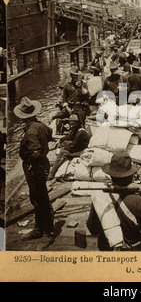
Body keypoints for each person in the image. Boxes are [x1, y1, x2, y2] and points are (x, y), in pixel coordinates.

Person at [89, 153, 141, 251]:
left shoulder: (101, 198)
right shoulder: (137, 201)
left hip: (107, 249)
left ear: (111, 176)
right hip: (132, 251)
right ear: (130, 177)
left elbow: (93, 230)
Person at [14, 97, 55, 248]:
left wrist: (30, 161)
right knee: (36, 198)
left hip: (35, 167)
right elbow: (50, 134)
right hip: (42, 165)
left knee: (41, 199)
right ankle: (39, 228)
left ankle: (48, 232)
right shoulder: (40, 125)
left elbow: (36, 152)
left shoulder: (30, 131)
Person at [48, 114, 90, 180]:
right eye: (70, 123)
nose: (71, 125)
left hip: (81, 151)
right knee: (64, 142)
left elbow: (72, 146)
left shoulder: (80, 133)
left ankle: (51, 174)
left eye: (73, 123)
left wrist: (64, 148)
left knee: (62, 152)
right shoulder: (77, 129)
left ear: (77, 123)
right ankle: (58, 160)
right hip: (78, 147)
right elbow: (70, 136)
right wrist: (61, 140)